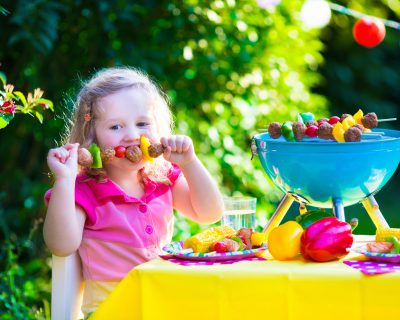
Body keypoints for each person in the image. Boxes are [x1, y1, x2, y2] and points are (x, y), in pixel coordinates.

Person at [43, 67, 223, 316]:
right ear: (91, 136)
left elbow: (209, 213)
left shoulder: (162, 177)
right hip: (112, 310)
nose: (131, 136)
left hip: (161, 305)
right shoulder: (84, 191)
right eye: (115, 127)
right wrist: (64, 180)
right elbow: (61, 245)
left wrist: (190, 163)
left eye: (142, 123)